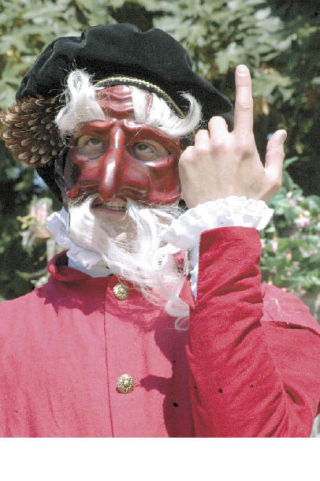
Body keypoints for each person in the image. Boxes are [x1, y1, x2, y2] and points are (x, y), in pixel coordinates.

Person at [1, 24, 320, 437]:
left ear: (187, 172)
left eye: (145, 147)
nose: (110, 180)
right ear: (62, 167)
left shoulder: (273, 318)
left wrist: (226, 226)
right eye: (92, 143)